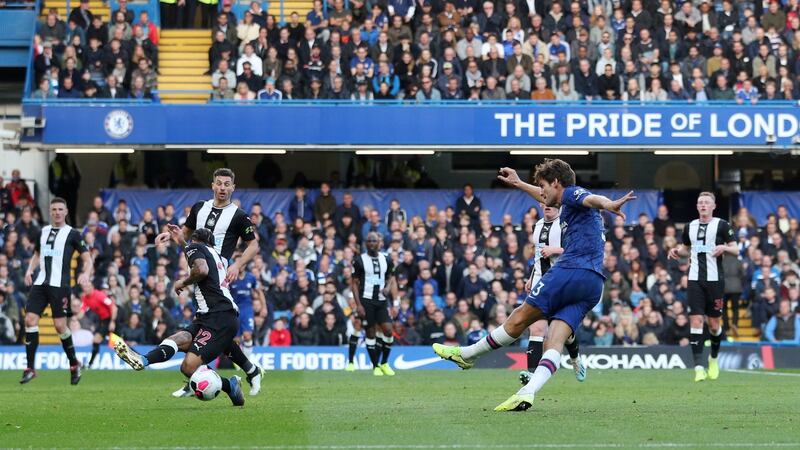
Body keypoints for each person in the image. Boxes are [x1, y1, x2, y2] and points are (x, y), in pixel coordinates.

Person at [433, 159, 634, 411]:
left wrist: (609, 204)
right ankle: (528, 392)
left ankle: (467, 355)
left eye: (544, 186)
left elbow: (592, 198)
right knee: (554, 340)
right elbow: (551, 197)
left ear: (556, 183)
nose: (542, 193)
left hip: (571, 271)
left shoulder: (572, 193)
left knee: (519, 318)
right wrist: (518, 183)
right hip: (593, 285)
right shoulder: (566, 203)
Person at [154, 168, 263, 397]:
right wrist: (170, 236)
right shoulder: (199, 208)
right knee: (214, 329)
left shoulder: (239, 215)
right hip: (199, 272)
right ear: (212, 185)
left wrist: (237, 264)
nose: (222, 188)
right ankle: (250, 370)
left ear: (233, 188)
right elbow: (185, 234)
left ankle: (196, 376)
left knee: (211, 326)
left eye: (227, 184)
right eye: (219, 183)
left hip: (217, 276)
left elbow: (253, 245)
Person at [113, 228, 246, 407]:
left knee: (188, 367)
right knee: (177, 339)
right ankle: (142, 360)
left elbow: (201, 269)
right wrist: (181, 241)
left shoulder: (196, 248)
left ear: (195, 240)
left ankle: (230, 386)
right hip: (211, 316)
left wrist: (182, 282)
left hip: (218, 317)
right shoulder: (218, 257)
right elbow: (196, 257)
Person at [21, 197, 93, 385]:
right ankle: (30, 368)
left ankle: (74, 364)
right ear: (50, 212)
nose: (57, 212)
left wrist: (85, 273)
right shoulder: (42, 232)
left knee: (60, 326)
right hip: (40, 283)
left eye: (61, 209)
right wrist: (29, 270)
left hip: (60, 286)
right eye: (54, 209)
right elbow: (37, 254)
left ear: (66, 212)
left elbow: (88, 259)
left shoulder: (73, 234)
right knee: (30, 320)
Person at [668, 192, 737, 382]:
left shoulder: (722, 225)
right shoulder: (689, 226)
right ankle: (698, 367)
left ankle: (713, 359)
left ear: (714, 206)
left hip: (715, 281)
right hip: (694, 279)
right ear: (697, 206)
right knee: (696, 320)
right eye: (700, 202)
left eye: (707, 202)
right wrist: (677, 251)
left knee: (714, 325)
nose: (703, 205)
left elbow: (736, 249)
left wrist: (724, 248)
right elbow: (686, 248)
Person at [518, 203, 586, 386]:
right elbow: (538, 256)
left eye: (551, 204)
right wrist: (532, 277)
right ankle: (531, 375)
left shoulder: (565, 224)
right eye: (545, 203)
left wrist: (554, 250)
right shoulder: (538, 225)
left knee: (563, 330)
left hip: (562, 282)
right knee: (537, 328)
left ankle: (575, 358)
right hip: (541, 282)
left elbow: (577, 250)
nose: (547, 206)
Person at [351, 232, 398, 376]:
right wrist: (358, 304)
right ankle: (375, 366)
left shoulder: (387, 259)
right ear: (366, 243)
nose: (371, 243)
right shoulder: (359, 260)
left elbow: (391, 277)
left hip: (381, 301)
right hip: (366, 301)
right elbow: (354, 283)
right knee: (370, 332)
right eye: (369, 241)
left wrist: (388, 288)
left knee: (388, 330)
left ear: (379, 243)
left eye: (374, 241)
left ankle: (384, 362)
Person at [80, 280, 117, 368]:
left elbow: (114, 307)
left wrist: (112, 321)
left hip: (111, 318)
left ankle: (90, 364)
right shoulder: (85, 298)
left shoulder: (100, 295)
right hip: (103, 320)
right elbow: (81, 312)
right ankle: (90, 364)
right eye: (84, 287)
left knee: (119, 342)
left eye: (87, 286)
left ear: (92, 287)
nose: (85, 289)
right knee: (96, 340)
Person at [229, 264, 261, 357]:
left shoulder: (251, 277)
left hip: (247, 309)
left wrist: (263, 306)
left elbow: (259, 292)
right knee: (236, 339)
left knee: (247, 335)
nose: (241, 266)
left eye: (242, 264)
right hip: (235, 309)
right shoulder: (231, 277)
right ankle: (238, 360)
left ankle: (247, 358)